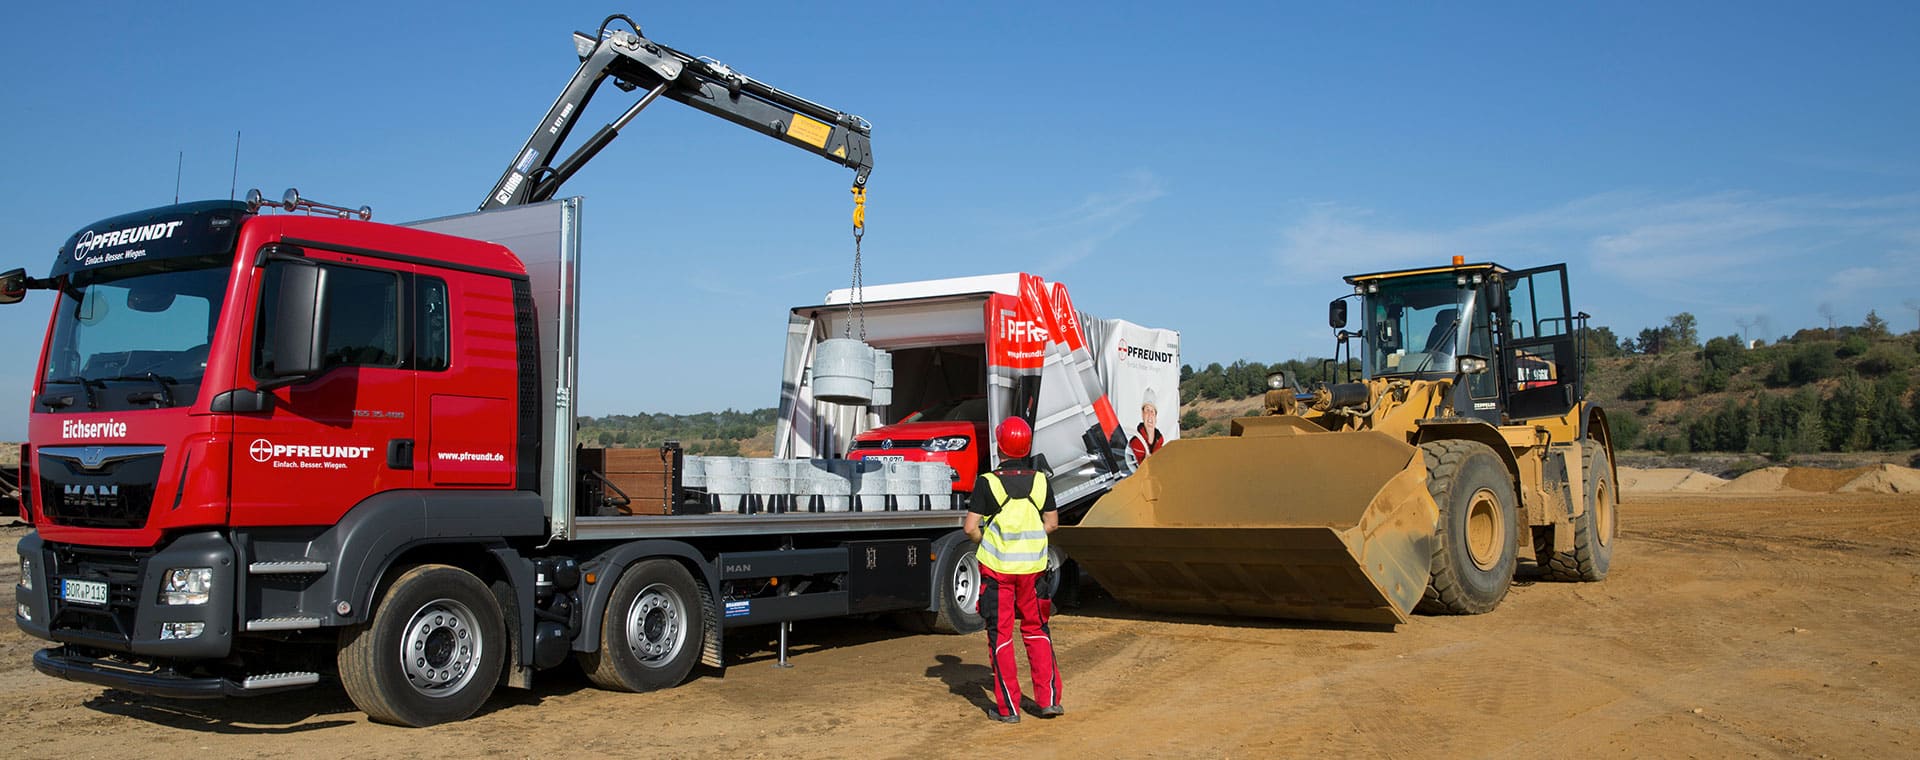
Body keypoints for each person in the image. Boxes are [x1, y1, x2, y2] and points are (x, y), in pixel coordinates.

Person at [965, 416, 1063, 724]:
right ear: (1026, 446)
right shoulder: (1040, 480)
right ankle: (1048, 701)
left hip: (998, 573)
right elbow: (1052, 523)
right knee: (1037, 630)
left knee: (1001, 635)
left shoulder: (988, 482)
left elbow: (970, 528)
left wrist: (989, 540)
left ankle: (1008, 709)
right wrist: (1030, 540)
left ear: (1000, 444)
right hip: (1033, 573)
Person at [1127, 388, 1165, 467]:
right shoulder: (1134, 443)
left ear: (1156, 417)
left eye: (1152, 412)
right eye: (1147, 410)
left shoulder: (1161, 443)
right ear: (1142, 415)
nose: (1150, 415)